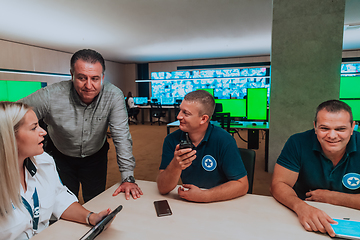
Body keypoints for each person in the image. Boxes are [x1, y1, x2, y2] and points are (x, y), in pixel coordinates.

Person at [20, 49, 142, 202]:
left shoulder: (114, 95)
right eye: (82, 78)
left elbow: (122, 137)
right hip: (60, 156)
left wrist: (128, 177)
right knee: (61, 202)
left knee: (95, 201)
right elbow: (12, 114)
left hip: (95, 156)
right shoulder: (51, 95)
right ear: (72, 75)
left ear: (103, 78)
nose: (88, 85)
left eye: (95, 79)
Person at [0, 102, 111, 240]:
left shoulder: (43, 161)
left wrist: (91, 217)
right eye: (34, 128)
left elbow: (58, 197)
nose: (43, 132)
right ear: (9, 137)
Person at [271, 100, 360, 237]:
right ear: (315, 127)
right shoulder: (297, 142)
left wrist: (332, 197)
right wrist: (300, 207)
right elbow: (279, 184)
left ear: (353, 127)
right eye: (324, 128)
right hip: (304, 213)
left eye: (340, 129)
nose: (332, 135)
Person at [156, 90, 248, 202]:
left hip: (220, 202)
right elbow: (162, 188)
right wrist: (175, 165)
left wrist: (205, 196)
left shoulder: (224, 140)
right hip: (189, 202)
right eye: (180, 110)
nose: (179, 116)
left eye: (186, 113)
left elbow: (242, 185)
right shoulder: (172, 140)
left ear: (203, 119)